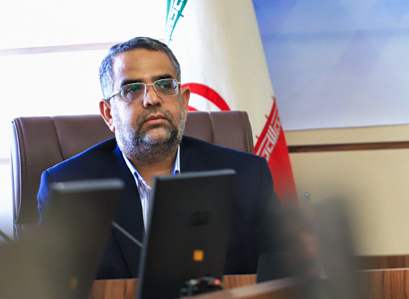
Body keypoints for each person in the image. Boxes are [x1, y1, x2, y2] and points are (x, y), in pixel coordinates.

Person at [37, 37, 281, 279]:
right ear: (109, 113)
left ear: (184, 102)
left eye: (164, 85)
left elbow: (281, 276)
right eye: (132, 89)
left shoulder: (248, 176)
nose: (152, 99)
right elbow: (53, 293)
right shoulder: (66, 187)